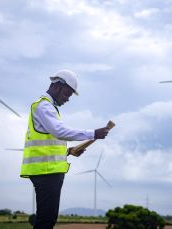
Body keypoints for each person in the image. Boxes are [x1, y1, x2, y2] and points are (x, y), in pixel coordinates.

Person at [20, 69, 109, 229]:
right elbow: (60, 131)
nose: (68, 99)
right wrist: (93, 133)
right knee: (46, 221)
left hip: (47, 171)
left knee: (47, 220)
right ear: (57, 86)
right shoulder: (44, 107)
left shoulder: (48, 108)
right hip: (46, 172)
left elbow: (48, 142)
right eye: (67, 93)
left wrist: (69, 151)